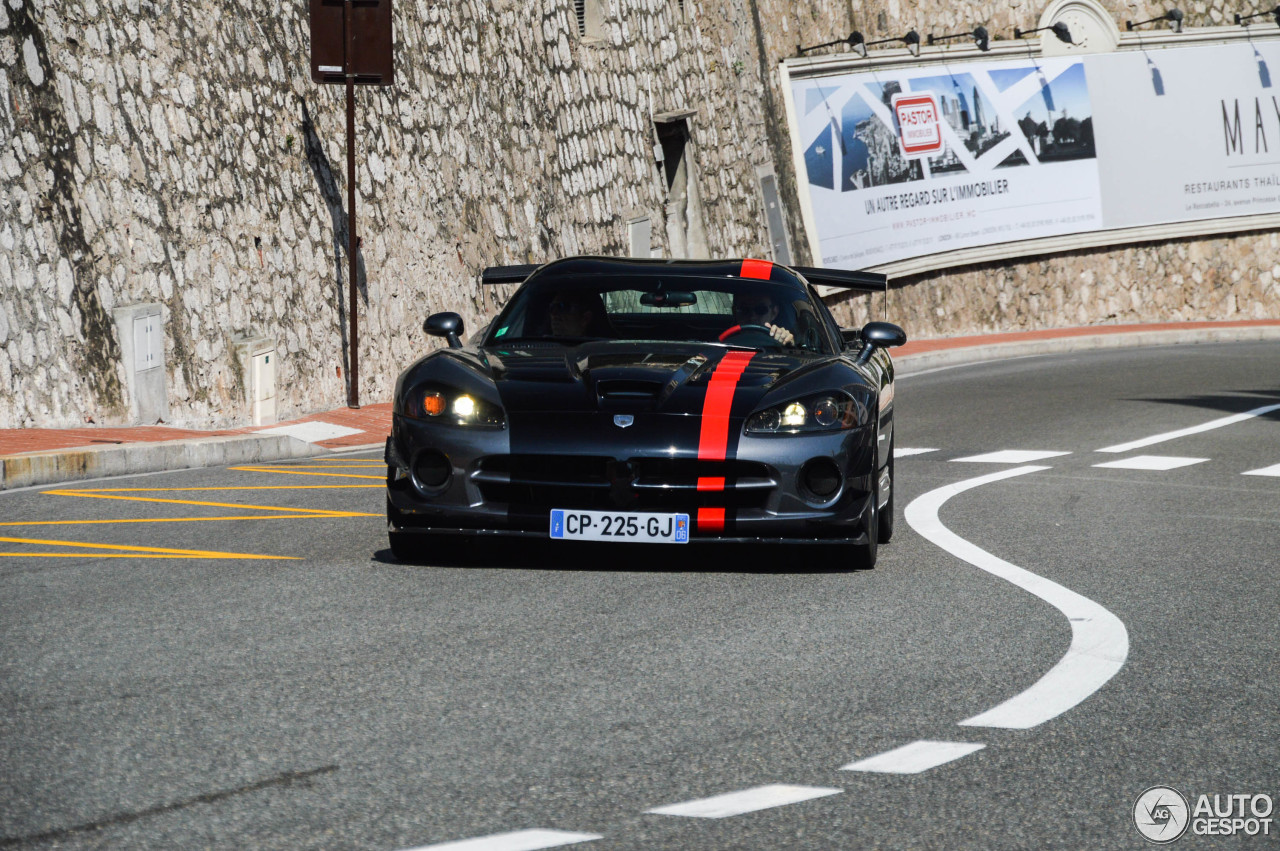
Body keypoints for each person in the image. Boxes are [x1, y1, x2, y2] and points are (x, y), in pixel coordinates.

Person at [728, 291, 795, 345]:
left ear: (774, 312)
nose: (752, 317)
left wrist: (788, 344)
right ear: (734, 312)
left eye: (761, 309)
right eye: (744, 309)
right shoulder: (720, 344)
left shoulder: (780, 341)